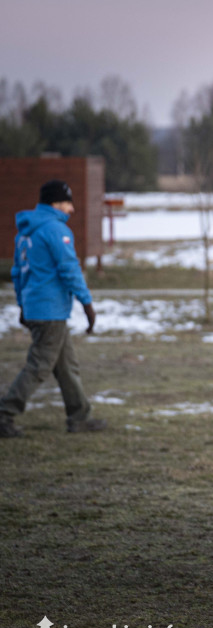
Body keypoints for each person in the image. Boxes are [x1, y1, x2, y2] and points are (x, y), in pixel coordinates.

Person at [1, 180, 106, 438]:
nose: (71, 209)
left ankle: (79, 416)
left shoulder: (26, 232)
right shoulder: (54, 230)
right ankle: (4, 413)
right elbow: (70, 269)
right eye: (68, 202)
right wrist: (87, 304)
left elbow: (18, 273)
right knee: (39, 366)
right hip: (50, 310)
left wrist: (24, 304)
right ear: (56, 203)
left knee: (66, 365)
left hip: (39, 308)